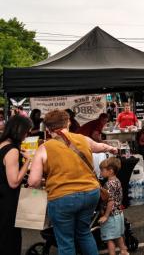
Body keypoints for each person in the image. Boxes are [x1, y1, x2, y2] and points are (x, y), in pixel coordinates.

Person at [28, 109, 118, 255]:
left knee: (66, 241)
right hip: (90, 194)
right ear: (68, 122)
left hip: (62, 198)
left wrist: (46, 179)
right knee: (84, 233)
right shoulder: (83, 139)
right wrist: (112, 148)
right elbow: (100, 147)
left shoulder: (44, 148)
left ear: (48, 128)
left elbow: (33, 182)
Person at [0, 115, 33, 255]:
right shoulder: (12, 150)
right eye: (27, 131)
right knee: (9, 240)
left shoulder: (2, 144)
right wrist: (28, 161)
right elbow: (13, 182)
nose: (27, 134)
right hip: (7, 201)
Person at [99, 157, 129, 255]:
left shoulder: (108, 184)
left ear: (110, 171)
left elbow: (110, 202)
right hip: (119, 213)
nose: (100, 173)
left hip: (111, 216)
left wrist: (105, 216)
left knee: (109, 238)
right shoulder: (117, 181)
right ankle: (124, 251)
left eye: (102, 170)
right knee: (118, 235)